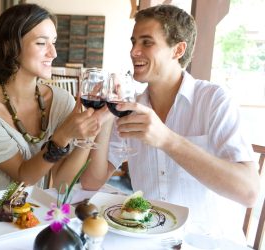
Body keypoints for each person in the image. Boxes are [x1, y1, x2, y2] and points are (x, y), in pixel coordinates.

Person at [81, 4, 260, 242]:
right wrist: (105, 117)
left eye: (147, 42)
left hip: (210, 243)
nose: (134, 51)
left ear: (178, 50)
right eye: (133, 41)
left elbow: (249, 192)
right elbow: (92, 181)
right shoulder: (130, 107)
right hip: (150, 241)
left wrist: (167, 140)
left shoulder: (214, 100)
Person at [0, 4, 103, 195]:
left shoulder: (61, 100)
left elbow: (62, 183)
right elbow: (23, 176)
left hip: (31, 216)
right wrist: (62, 136)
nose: (53, 53)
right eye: (41, 43)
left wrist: (92, 125)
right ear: (11, 46)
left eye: (53, 42)